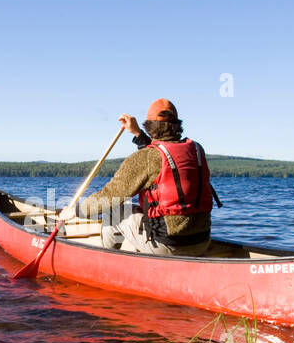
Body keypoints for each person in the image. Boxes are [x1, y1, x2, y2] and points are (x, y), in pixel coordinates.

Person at [59, 99, 218, 255]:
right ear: (177, 124)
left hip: (168, 246)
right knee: (137, 210)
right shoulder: (196, 150)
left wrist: (75, 211)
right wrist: (137, 134)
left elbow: (109, 195)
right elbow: (164, 152)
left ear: (149, 126)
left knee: (114, 210)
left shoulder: (147, 157)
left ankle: (109, 260)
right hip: (202, 242)